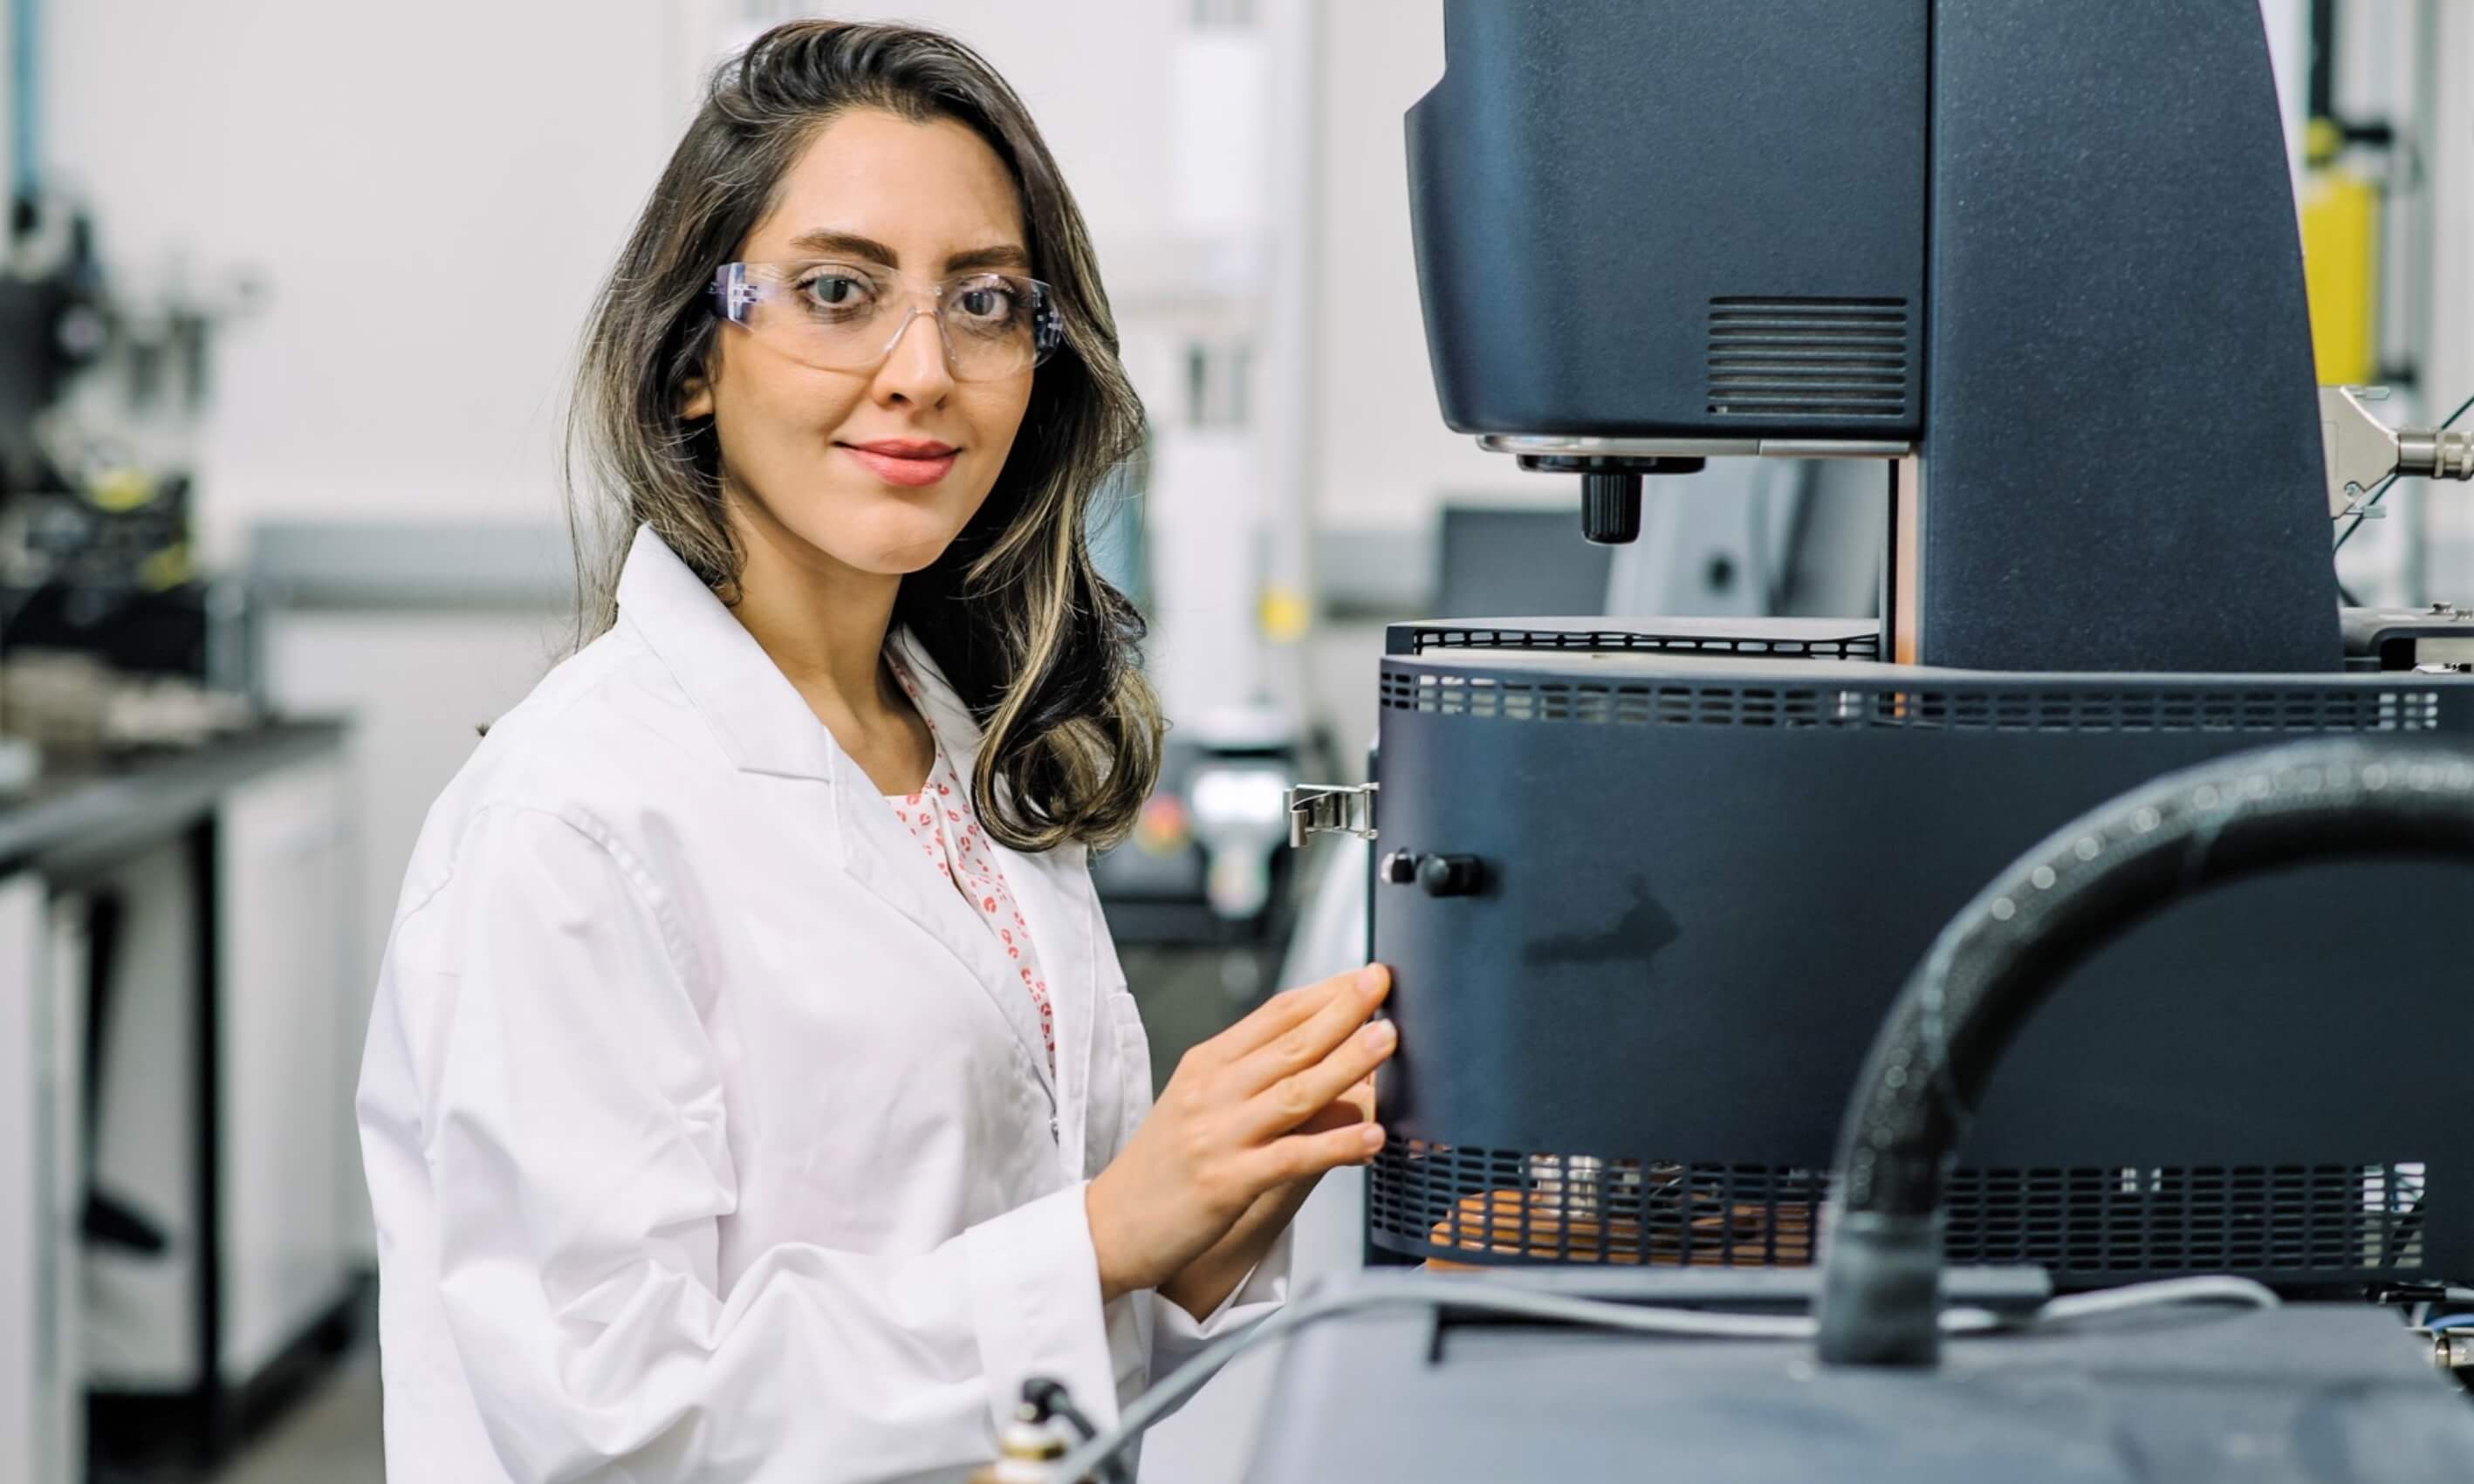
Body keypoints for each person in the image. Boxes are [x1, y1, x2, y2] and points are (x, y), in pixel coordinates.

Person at [353, 20, 1395, 1482]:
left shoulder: (953, 753)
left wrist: (1226, 1210)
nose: (922, 370)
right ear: (692, 361)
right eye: (837, 292)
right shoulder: (574, 818)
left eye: (983, 301)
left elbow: (1033, 1299)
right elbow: (615, 1421)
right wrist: (1108, 1230)